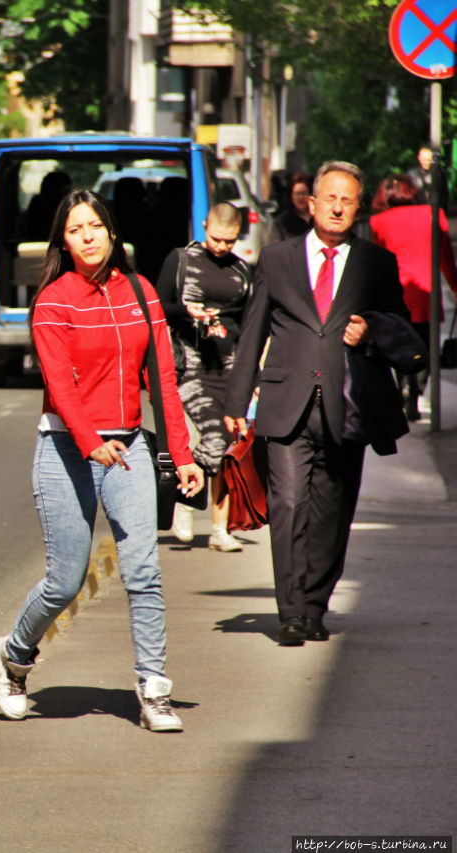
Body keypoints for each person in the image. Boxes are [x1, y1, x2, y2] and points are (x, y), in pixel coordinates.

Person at [0, 189, 205, 733]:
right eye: (74, 229)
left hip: (129, 446)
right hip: (66, 447)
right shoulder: (54, 301)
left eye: (95, 226)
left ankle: (154, 690)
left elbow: (162, 380)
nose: (86, 236)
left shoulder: (141, 292)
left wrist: (183, 454)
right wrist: (88, 442)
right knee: (65, 580)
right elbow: (59, 386)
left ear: (112, 232)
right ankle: (14, 656)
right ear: (63, 241)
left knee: (145, 572)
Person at [225, 161, 409, 646]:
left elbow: (402, 329)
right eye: (329, 197)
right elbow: (253, 331)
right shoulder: (276, 258)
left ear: (358, 208)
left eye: (347, 200)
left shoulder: (375, 263)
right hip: (286, 402)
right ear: (311, 203)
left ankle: (313, 606)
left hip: (347, 407)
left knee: (332, 510)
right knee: (287, 503)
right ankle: (289, 610)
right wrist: (236, 398)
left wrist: (371, 330)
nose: (336, 207)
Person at [156, 203, 253, 551]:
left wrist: (251, 375)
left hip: (229, 364)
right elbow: (156, 306)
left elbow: (248, 325)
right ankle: (185, 497)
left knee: (228, 444)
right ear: (204, 227)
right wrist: (186, 311)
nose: (223, 246)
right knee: (213, 436)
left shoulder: (243, 271)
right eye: (216, 238)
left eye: (230, 240)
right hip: (191, 363)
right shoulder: (181, 260)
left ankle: (219, 529)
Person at [370, 174, 457, 420]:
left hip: (394, 296)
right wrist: (454, 287)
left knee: (398, 346)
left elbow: (377, 263)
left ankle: (402, 388)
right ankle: (415, 392)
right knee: (425, 347)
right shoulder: (433, 214)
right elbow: (446, 256)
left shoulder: (378, 222)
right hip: (424, 294)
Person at [267, 171, 314, 244]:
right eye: (297, 194)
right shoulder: (281, 223)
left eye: (304, 193)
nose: (301, 198)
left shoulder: (319, 219)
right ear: (291, 196)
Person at [407, 144, 447, 210]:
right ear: (419, 157)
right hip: (416, 211)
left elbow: (444, 195)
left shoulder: (438, 174)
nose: (425, 162)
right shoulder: (411, 175)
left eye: (428, 159)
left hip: (434, 212)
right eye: (423, 159)